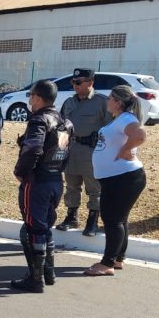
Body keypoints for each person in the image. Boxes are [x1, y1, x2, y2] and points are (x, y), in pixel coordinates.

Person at [10, 80, 73, 293]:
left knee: (32, 230)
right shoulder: (65, 121)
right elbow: (63, 152)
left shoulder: (39, 120)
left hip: (37, 183)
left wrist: (21, 172)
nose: (29, 100)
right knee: (44, 228)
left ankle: (35, 279)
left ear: (38, 97)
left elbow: (33, 150)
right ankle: (49, 273)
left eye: (31, 96)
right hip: (56, 180)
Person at [85, 85, 148, 276]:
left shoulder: (127, 118)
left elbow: (140, 135)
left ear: (118, 103)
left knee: (112, 220)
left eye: (110, 98)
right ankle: (118, 258)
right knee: (120, 219)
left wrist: (126, 150)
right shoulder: (120, 119)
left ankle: (107, 263)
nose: (107, 101)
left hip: (124, 178)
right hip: (117, 178)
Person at [56, 68, 109, 236]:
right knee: (71, 186)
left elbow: (110, 129)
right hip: (71, 150)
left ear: (91, 83)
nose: (75, 85)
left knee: (94, 188)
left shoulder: (102, 102)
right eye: (73, 82)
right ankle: (72, 217)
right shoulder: (69, 102)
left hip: (92, 152)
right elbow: (62, 129)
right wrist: (60, 151)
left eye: (79, 82)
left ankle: (92, 220)